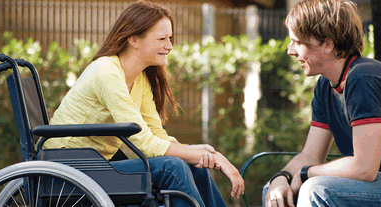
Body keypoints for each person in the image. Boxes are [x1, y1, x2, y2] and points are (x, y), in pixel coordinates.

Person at [42, 0, 244, 206]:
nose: (170, 46)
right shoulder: (107, 72)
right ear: (134, 40)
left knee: (194, 167)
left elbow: (156, 134)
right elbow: (146, 145)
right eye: (162, 39)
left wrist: (193, 151)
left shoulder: (139, 78)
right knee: (171, 168)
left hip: (99, 161)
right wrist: (213, 157)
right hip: (70, 164)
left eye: (170, 38)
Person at [263, 0, 381, 206]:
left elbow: (365, 168)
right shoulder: (325, 86)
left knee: (316, 189)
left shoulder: (363, 77)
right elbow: (311, 154)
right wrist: (281, 177)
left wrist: (307, 173)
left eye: (297, 42)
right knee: (275, 191)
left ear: (328, 44)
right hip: (376, 184)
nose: (290, 51)